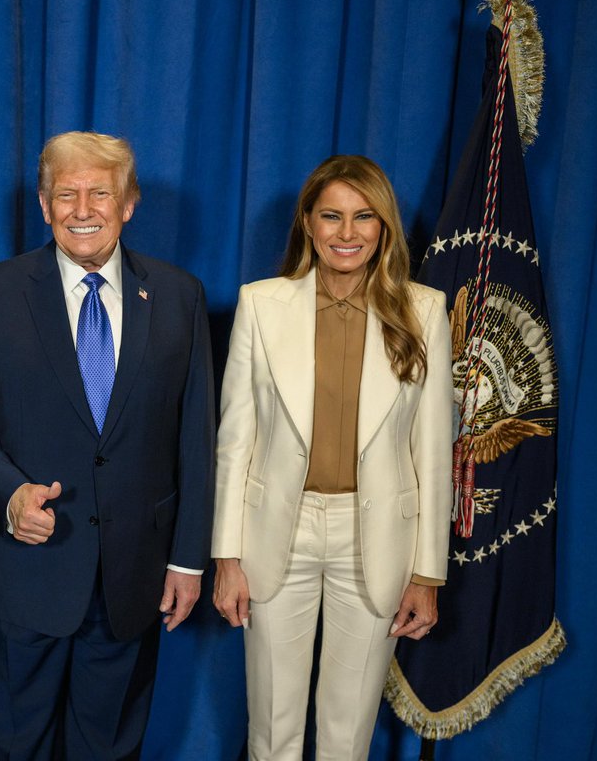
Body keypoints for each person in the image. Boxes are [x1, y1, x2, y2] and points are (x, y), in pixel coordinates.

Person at [0, 130, 215, 760]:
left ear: (130, 203)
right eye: (67, 194)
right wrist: (8, 495)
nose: (83, 209)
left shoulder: (178, 297)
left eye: (100, 193)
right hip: (21, 574)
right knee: (15, 747)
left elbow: (196, 439)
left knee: (110, 749)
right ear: (42, 204)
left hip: (131, 579)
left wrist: (189, 560)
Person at [210, 155, 454, 760]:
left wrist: (428, 573)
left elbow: (432, 451)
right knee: (272, 728)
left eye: (363, 217)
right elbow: (235, 440)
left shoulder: (424, 311)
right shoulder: (261, 304)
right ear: (309, 224)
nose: (348, 233)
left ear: (384, 227)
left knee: (348, 736)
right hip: (276, 534)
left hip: (374, 539)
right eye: (332, 217)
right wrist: (226, 555)